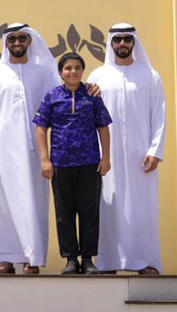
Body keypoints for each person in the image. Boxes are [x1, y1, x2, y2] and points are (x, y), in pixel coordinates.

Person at [0, 23, 61, 274]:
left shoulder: (43, 73)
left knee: (34, 202)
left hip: (35, 151)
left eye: (21, 38)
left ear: (29, 40)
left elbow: (60, 102)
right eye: (12, 38)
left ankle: (32, 258)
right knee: (2, 204)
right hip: (0, 150)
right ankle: (5, 258)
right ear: (6, 42)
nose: (17, 43)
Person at [87, 23, 165, 274]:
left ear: (133, 42)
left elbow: (159, 115)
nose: (122, 44)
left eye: (126, 39)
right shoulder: (97, 76)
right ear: (111, 43)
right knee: (108, 206)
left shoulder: (150, 75)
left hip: (141, 155)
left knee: (143, 208)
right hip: (106, 155)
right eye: (117, 39)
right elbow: (89, 117)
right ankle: (108, 263)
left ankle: (145, 262)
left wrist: (155, 150)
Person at [34, 52, 112, 275]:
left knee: (89, 212)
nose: (73, 72)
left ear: (82, 71)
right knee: (64, 213)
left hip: (89, 164)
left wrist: (106, 158)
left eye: (77, 68)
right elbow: (41, 128)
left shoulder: (92, 96)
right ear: (61, 72)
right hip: (61, 164)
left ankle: (87, 260)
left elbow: (103, 127)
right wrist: (45, 160)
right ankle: (70, 259)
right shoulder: (52, 96)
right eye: (68, 68)